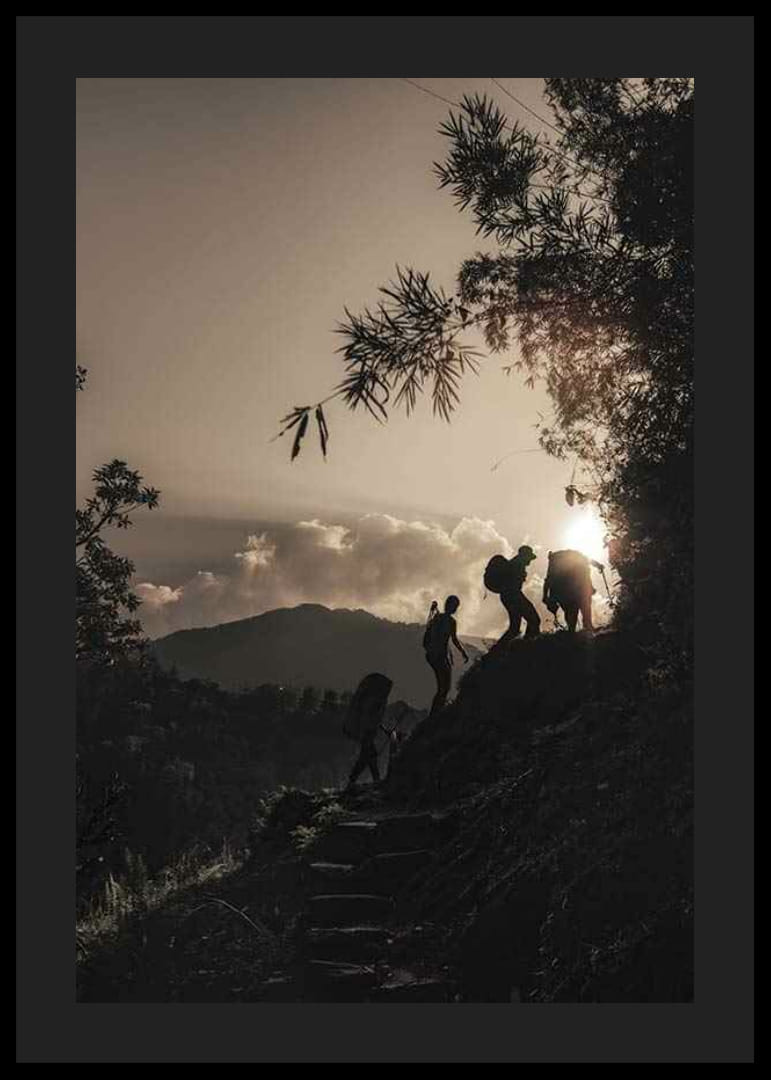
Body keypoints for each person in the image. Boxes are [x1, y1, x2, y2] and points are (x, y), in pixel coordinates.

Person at [343, 672, 393, 792]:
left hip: (369, 732)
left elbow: (375, 720)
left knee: (367, 757)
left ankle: (356, 780)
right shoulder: (375, 702)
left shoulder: (376, 701)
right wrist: (365, 731)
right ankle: (370, 780)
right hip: (367, 733)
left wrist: (385, 730)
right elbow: (369, 718)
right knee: (369, 756)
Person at [423, 595, 469, 717]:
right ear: (454, 607)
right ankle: (435, 714)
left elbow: (430, 636)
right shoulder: (451, 622)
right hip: (440, 657)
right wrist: (463, 652)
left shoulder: (437, 618)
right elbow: (454, 640)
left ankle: (435, 713)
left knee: (442, 688)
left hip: (432, 656)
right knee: (444, 688)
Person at [542, 549, 604, 633]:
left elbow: (548, 580)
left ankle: (576, 631)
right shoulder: (569, 558)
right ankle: (586, 628)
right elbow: (588, 560)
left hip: (570, 591)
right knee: (582, 608)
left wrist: (545, 596)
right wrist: (598, 565)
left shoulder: (556, 561)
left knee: (572, 613)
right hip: (575, 590)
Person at [497, 544, 541, 647]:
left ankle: (496, 652)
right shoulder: (517, 564)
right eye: (529, 558)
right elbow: (514, 585)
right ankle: (528, 647)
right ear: (524, 556)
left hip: (509, 596)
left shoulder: (515, 563)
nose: (530, 561)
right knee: (534, 620)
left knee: (514, 628)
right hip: (513, 596)